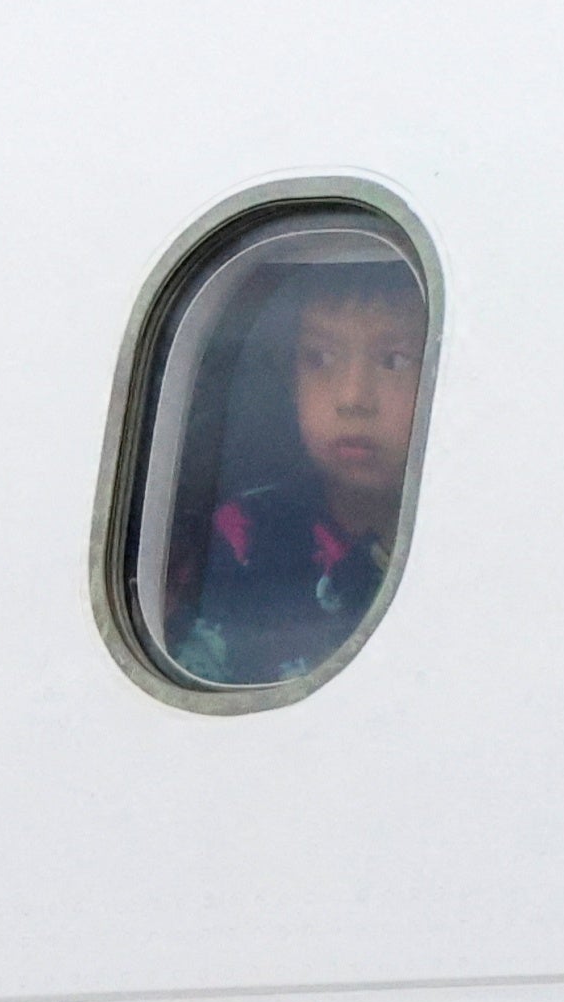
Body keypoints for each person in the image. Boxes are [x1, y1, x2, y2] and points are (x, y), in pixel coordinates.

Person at [167, 261, 425, 685]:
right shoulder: (242, 537)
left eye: (394, 361)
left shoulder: (473, 536)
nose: (353, 398)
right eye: (320, 359)